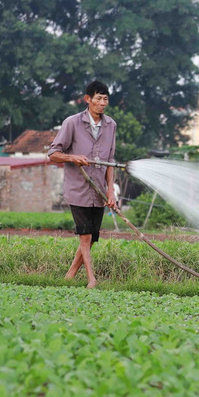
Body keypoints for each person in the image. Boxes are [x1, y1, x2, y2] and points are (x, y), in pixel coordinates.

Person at [47, 80, 117, 288]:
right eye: (98, 98)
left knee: (92, 237)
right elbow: (53, 154)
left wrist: (110, 191)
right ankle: (91, 279)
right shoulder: (72, 123)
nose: (103, 103)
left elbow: (110, 161)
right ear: (88, 99)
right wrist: (73, 157)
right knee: (85, 236)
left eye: (105, 99)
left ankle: (69, 276)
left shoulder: (111, 125)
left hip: (99, 192)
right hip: (78, 188)